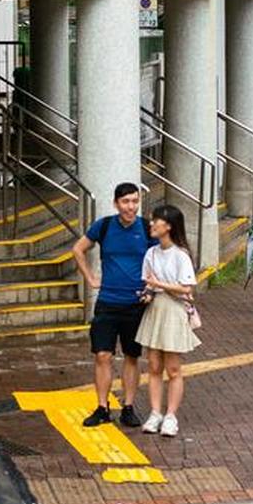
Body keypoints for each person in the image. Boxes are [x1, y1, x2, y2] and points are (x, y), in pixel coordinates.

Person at [71, 182, 150, 427]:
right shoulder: (104, 226)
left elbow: (160, 259)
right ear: (116, 203)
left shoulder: (147, 229)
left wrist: (152, 289)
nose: (131, 206)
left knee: (131, 356)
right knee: (102, 355)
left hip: (136, 304)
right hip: (107, 302)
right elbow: (78, 249)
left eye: (135, 201)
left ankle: (128, 407)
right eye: (126, 202)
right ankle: (102, 408)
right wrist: (90, 278)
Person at [136, 203, 199, 437]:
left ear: (169, 226)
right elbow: (148, 285)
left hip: (173, 310)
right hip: (155, 309)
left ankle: (171, 416)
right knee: (153, 366)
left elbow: (186, 289)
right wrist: (147, 293)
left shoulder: (181, 255)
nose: (151, 224)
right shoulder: (151, 253)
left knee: (173, 368)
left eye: (156, 221)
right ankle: (155, 413)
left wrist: (157, 285)